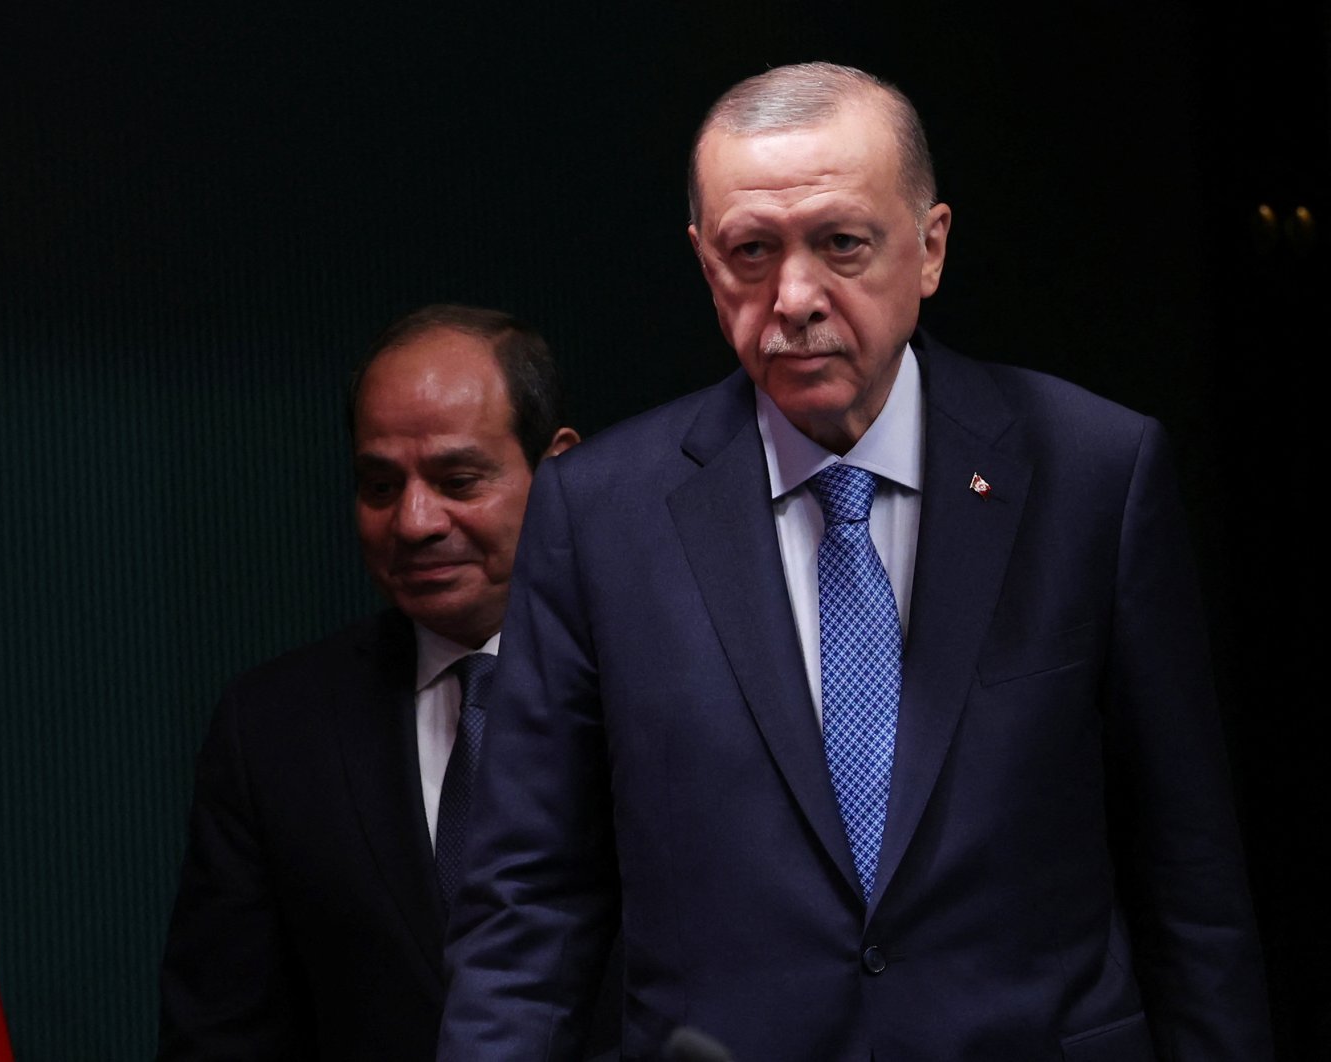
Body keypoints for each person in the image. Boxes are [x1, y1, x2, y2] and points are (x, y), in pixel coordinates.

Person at [437, 63, 1272, 1060]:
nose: (793, 297)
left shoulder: (1094, 472)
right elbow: (530, 905)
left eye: (840, 243)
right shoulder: (600, 515)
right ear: (706, 265)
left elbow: (1188, 880)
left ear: (929, 249)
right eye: (751, 252)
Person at [157, 304, 581, 1059]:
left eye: (458, 479)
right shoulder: (275, 730)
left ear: (558, 472)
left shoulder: (661, 689)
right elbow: (221, 1035)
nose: (414, 520)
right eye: (380, 486)